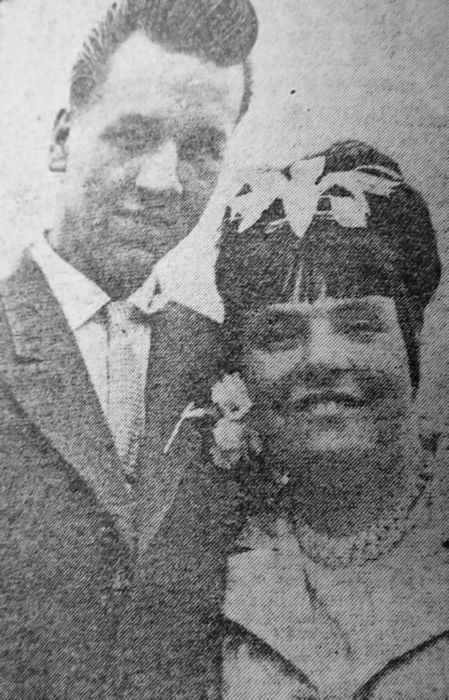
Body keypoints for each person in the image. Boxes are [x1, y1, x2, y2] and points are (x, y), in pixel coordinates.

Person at [0, 0, 257, 697]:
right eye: (134, 135)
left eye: (200, 148)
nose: (163, 180)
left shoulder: (225, 358)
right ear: (62, 138)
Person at [214, 141, 449, 698]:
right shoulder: (214, 555)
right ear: (242, 367)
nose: (321, 359)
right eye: (280, 334)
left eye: (359, 325)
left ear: (411, 342)